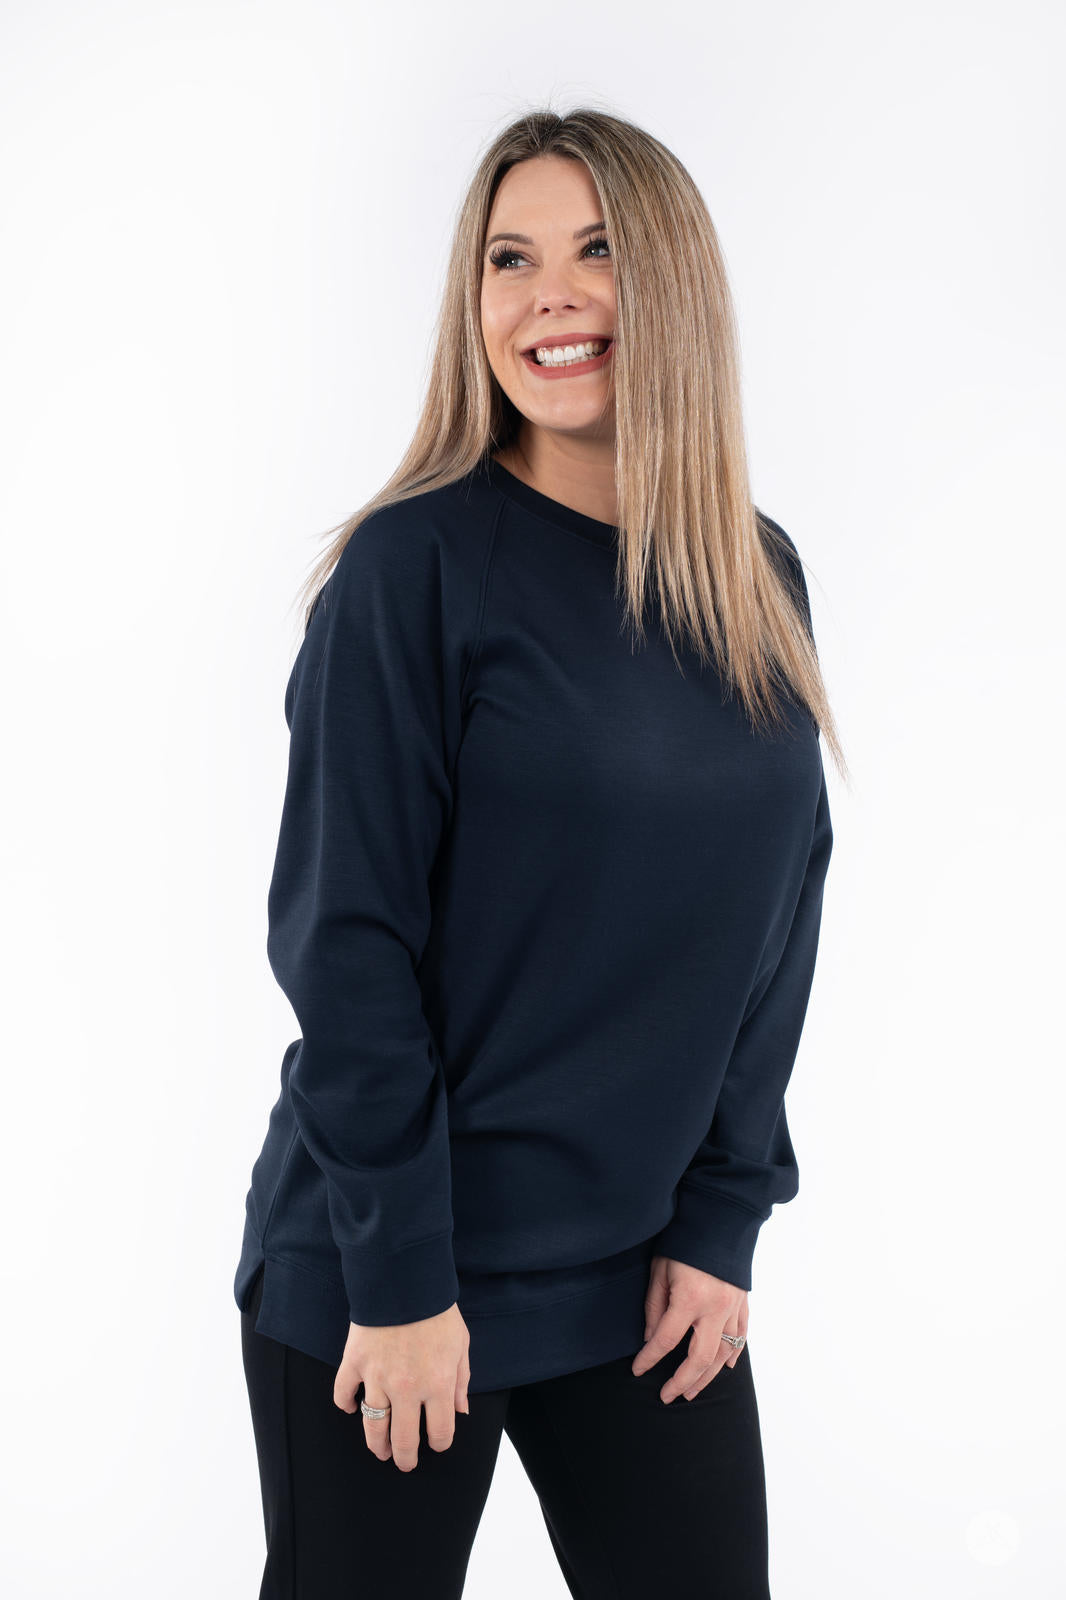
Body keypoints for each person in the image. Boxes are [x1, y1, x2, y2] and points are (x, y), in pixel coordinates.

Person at [234, 105, 844, 1600]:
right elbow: (345, 942)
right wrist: (400, 1278)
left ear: (674, 285)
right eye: (508, 259)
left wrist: (722, 1219)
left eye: (596, 251)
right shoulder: (415, 569)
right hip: (394, 1278)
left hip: (639, 1283)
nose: (547, 297)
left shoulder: (755, 571)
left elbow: (779, 915)